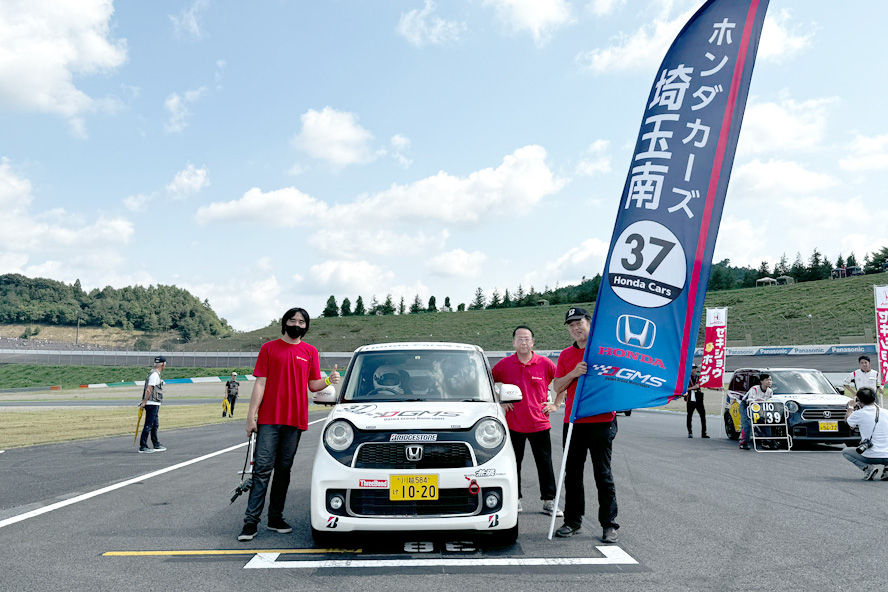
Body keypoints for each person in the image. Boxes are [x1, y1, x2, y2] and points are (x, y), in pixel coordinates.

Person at [238, 307, 340, 542]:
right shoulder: (269, 348)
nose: (297, 324)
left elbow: (313, 385)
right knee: (262, 470)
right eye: (292, 320)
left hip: (295, 420)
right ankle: (250, 522)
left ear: (306, 326)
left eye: (301, 322)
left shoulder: (310, 351)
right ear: (284, 323)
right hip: (269, 419)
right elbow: (260, 384)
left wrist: (328, 380)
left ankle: (275, 518)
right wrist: (251, 416)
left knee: (284, 471)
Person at [548, 307, 619, 543]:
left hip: (602, 420)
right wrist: (573, 373)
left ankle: (609, 525)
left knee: (603, 475)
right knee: (572, 475)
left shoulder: (605, 351)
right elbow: (557, 387)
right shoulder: (566, 355)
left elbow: (617, 380)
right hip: (574, 421)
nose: (575, 328)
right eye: (571, 325)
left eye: (579, 323)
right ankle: (572, 521)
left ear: (589, 323)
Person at [491, 325, 561, 517]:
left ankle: (549, 501)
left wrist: (556, 404)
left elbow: (561, 383)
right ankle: (515, 499)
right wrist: (499, 401)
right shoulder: (505, 364)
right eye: (520, 338)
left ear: (533, 342)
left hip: (539, 423)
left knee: (545, 463)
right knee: (514, 464)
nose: (523, 342)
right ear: (514, 342)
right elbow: (487, 382)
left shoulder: (545, 363)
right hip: (513, 424)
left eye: (527, 338)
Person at [842, 387, 888, 480]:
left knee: (846, 451)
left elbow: (848, 422)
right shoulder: (886, 412)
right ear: (875, 398)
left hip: (870, 456)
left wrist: (851, 407)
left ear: (858, 400)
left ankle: (868, 468)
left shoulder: (859, 414)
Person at [138, 356, 168, 453]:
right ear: (163, 364)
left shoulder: (154, 373)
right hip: (152, 403)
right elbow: (149, 389)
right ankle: (143, 446)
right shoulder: (154, 375)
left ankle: (156, 444)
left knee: (154, 424)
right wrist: (144, 402)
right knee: (149, 425)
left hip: (154, 402)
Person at [739, 373, 772, 450]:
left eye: (770, 380)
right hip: (746, 406)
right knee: (747, 424)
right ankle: (744, 443)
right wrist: (757, 401)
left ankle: (766, 441)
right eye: (767, 380)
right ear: (761, 381)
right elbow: (749, 400)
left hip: (760, 407)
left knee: (765, 422)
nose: (769, 382)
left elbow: (769, 402)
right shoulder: (754, 389)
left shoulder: (770, 391)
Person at [685, 364, 709, 438]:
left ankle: (704, 433)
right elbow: (683, 389)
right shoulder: (686, 379)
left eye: (695, 368)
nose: (694, 370)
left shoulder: (699, 378)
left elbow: (706, 385)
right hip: (690, 399)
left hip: (699, 398)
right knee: (689, 416)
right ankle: (690, 432)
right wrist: (693, 387)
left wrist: (717, 389)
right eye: (693, 368)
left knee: (703, 415)